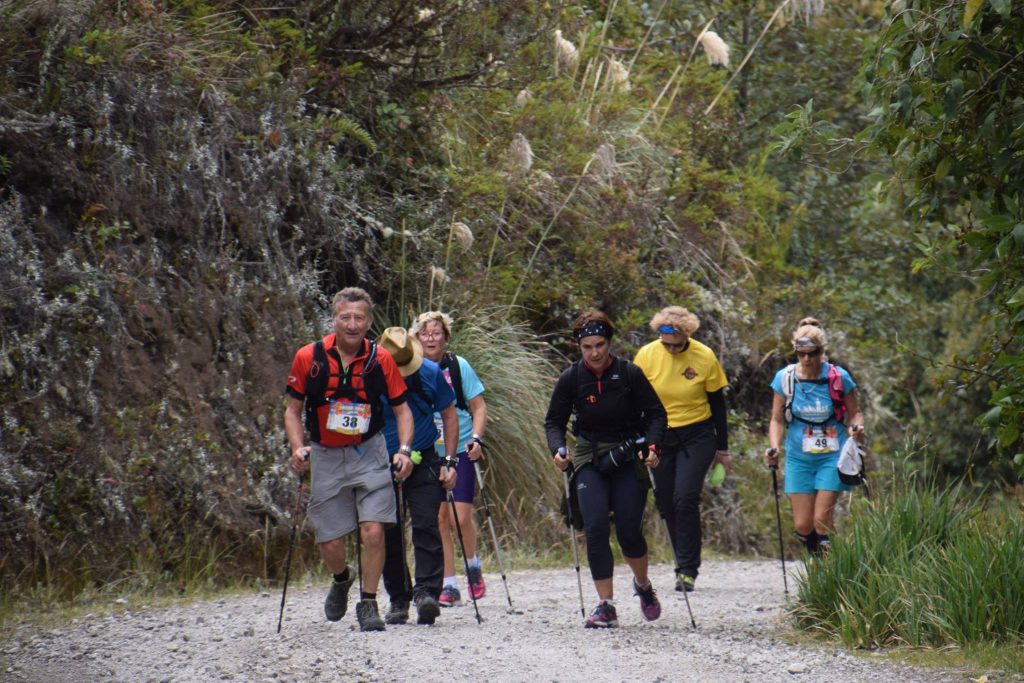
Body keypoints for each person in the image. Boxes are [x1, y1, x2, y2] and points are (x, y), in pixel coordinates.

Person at [283, 287, 414, 632]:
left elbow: (403, 410)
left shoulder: (381, 359)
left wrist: (403, 450)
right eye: (346, 317)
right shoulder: (307, 358)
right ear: (334, 320)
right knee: (330, 538)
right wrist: (298, 448)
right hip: (325, 454)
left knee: (373, 530)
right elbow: (292, 412)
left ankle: (368, 602)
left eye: (359, 318)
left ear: (369, 322)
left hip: (369, 451)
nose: (352, 324)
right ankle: (342, 579)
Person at [544, 310, 667, 629]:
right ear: (579, 347)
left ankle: (642, 585)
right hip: (589, 457)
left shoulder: (629, 373)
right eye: (587, 347)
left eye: (600, 345)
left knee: (629, 531)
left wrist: (652, 446)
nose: (595, 352)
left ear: (609, 343)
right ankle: (605, 605)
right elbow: (554, 421)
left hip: (627, 457)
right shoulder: (571, 378)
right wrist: (558, 449)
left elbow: (656, 415)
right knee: (595, 526)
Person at [633, 306, 731, 593]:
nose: (672, 350)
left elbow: (718, 406)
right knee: (665, 501)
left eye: (678, 345)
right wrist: (640, 440)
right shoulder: (647, 355)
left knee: (685, 497)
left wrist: (723, 450)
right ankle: (680, 558)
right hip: (660, 435)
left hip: (697, 434)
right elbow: (635, 401)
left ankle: (687, 569)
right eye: (667, 345)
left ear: (687, 336)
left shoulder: (704, 356)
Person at [376, 327, 460, 626]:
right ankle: (399, 598)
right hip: (380, 459)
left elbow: (449, 414)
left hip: (423, 456)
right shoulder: (370, 373)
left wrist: (450, 461)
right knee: (388, 531)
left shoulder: (429, 372)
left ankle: (427, 593)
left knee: (426, 523)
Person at [764, 318, 866, 555]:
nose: (807, 359)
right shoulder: (785, 378)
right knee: (803, 524)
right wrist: (774, 447)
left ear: (822, 351)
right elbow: (776, 419)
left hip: (832, 456)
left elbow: (855, 413)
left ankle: (833, 568)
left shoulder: (838, 377)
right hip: (799, 457)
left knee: (821, 519)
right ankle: (823, 561)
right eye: (801, 354)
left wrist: (857, 429)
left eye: (813, 353)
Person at [410, 310, 488, 606]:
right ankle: (450, 584)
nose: (430, 339)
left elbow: (478, 406)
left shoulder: (458, 366)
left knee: (461, 517)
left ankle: (473, 564)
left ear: (445, 336)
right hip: (428, 451)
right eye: (424, 333)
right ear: (416, 337)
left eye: (436, 333)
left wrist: (476, 439)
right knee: (439, 518)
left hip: (460, 448)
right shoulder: (410, 367)